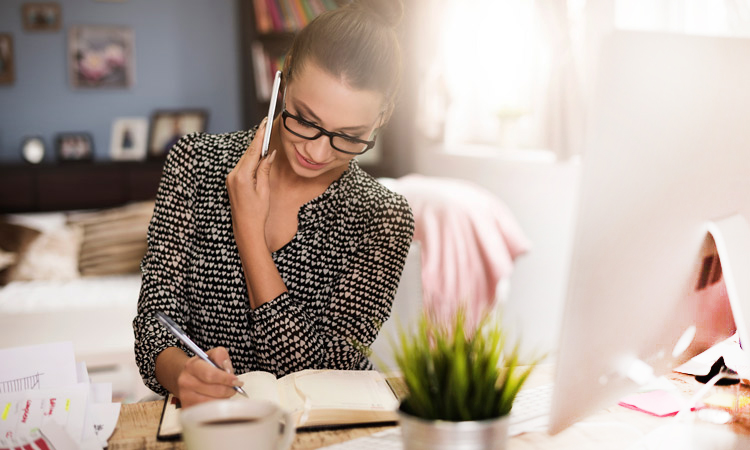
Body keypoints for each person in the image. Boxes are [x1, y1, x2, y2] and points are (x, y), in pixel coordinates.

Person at [133, 0, 414, 407]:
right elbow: (154, 326)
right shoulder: (194, 163)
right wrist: (182, 375)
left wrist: (249, 233)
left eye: (350, 136)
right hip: (206, 424)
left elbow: (320, 377)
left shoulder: (382, 217)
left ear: (382, 117)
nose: (317, 153)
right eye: (305, 118)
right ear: (282, 79)